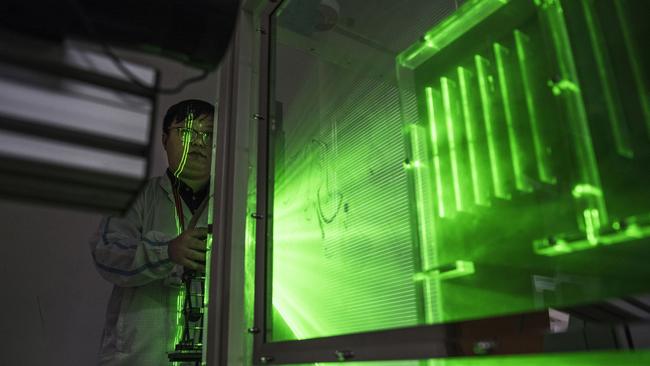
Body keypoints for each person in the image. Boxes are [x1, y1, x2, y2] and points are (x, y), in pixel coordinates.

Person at [89, 99, 215, 365]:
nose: (198, 142)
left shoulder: (238, 203)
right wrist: (167, 252)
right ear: (164, 139)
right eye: (186, 132)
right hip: (140, 356)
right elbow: (106, 254)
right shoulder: (135, 196)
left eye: (208, 134)